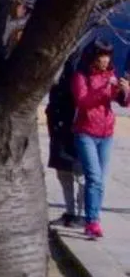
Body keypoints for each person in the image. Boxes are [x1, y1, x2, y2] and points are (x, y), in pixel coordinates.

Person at [69, 40, 123, 240]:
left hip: (106, 133)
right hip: (86, 132)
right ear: (93, 57)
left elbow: (123, 102)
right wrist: (104, 89)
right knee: (94, 178)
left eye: (107, 56)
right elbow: (83, 101)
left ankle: (93, 218)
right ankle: (92, 221)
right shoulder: (81, 76)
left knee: (101, 179)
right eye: (101, 55)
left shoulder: (110, 75)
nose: (105, 60)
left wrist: (124, 91)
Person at [46, 56, 85, 228]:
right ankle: (70, 211)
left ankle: (82, 214)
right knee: (62, 170)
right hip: (57, 117)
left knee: (81, 172)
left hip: (76, 122)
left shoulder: (82, 58)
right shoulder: (56, 58)